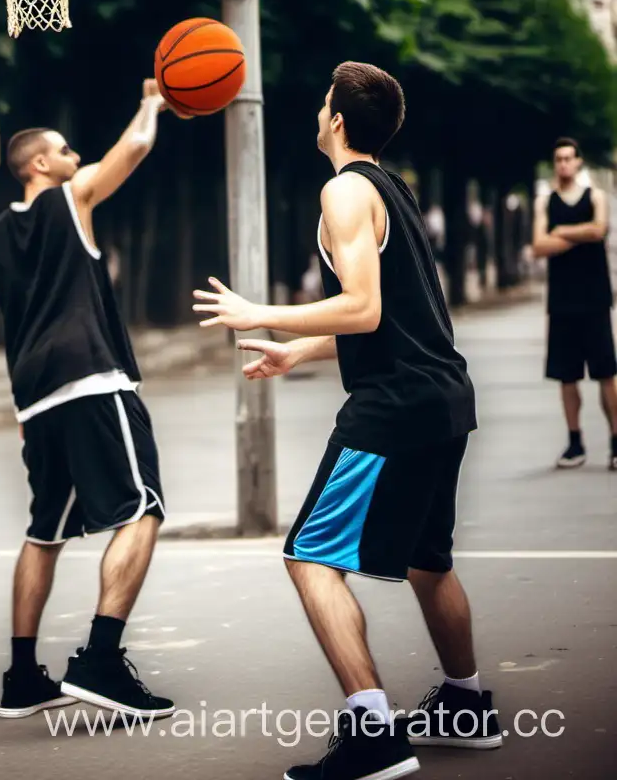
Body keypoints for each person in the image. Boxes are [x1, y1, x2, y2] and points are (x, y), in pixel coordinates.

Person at [193, 63, 500, 780]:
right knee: (430, 561)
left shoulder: (344, 190)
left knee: (309, 557)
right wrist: (301, 348)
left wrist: (260, 310)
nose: (319, 108)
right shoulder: (395, 190)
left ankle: (373, 736)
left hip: (394, 406)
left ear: (336, 120)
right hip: (442, 396)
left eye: (323, 99)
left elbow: (361, 308)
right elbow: (393, 318)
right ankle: (465, 702)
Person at [0, 80, 175, 721]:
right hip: (94, 381)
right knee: (143, 509)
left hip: (36, 401)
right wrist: (152, 102)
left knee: (44, 533)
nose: (76, 156)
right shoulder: (69, 201)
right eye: (66, 149)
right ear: (41, 164)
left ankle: (22, 678)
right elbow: (131, 150)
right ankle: (101, 660)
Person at [531, 138, 617, 471]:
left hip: (595, 299)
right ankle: (575, 441)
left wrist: (563, 231)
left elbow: (599, 230)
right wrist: (578, 235)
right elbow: (538, 245)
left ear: (578, 163)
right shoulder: (544, 202)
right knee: (567, 377)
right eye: (559, 159)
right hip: (562, 302)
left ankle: (614, 440)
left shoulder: (595, 197)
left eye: (569, 158)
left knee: (607, 374)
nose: (564, 164)